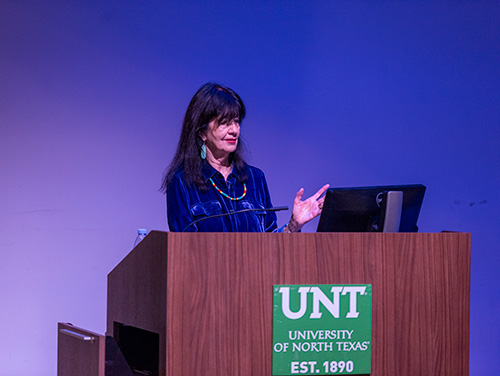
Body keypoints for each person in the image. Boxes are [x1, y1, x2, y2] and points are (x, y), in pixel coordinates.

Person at [161, 82, 329, 232]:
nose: (234, 130)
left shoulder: (255, 178)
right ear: (202, 132)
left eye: (236, 121)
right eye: (224, 123)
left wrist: (293, 225)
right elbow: (182, 249)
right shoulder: (182, 181)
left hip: (257, 268)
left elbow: (270, 243)